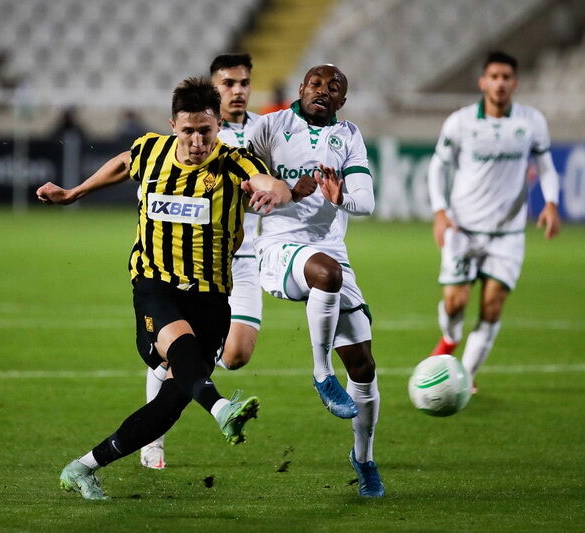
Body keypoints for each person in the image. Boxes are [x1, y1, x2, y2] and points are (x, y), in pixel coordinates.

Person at [37, 77, 291, 500]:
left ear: (218, 125)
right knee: (182, 348)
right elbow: (124, 163)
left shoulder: (234, 162)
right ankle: (222, 408)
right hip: (155, 286)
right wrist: (75, 193)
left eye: (205, 130)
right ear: (173, 125)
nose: (197, 141)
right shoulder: (151, 150)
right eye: (188, 131)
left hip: (212, 296)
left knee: (169, 405)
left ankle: (82, 467)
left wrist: (276, 194)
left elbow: (271, 183)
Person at [139, 53, 316, 470]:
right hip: (193, 259)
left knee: (235, 356)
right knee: (179, 351)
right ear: (213, 90)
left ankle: (182, 364)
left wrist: (286, 190)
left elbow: (274, 179)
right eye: (227, 83)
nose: (237, 91)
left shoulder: (265, 130)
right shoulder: (198, 134)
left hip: (244, 256)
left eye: (243, 83)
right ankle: (154, 439)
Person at [246, 64, 384, 498]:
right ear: (302, 88)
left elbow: (366, 202)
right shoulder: (269, 126)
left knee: (363, 366)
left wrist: (341, 198)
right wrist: (281, 191)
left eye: (334, 88)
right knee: (325, 272)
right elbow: (236, 182)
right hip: (278, 248)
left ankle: (364, 460)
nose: (323, 91)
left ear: (343, 100)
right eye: (316, 84)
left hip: (331, 250)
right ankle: (322, 374)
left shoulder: (349, 136)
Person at [426, 51, 561, 392]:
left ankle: (464, 377)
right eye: (494, 77)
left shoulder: (531, 121)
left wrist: (551, 203)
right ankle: (450, 338)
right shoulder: (460, 122)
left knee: (492, 305)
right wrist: (440, 211)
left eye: (506, 78)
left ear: (515, 83)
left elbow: (545, 166)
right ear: (482, 82)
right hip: (463, 228)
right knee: (455, 303)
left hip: (508, 234)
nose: (500, 83)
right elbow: (438, 166)